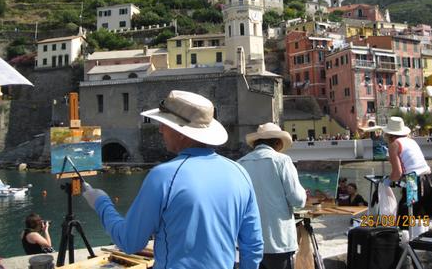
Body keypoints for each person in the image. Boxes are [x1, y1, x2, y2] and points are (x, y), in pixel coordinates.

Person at [82, 90, 263, 269]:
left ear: (181, 132)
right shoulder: (239, 173)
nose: (160, 129)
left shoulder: (163, 176)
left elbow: (129, 241)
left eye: (165, 124)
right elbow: (253, 246)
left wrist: (101, 203)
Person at [238, 122, 306, 269]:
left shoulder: (240, 164)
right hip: (278, 240)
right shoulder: (282, 161)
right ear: (277, 142)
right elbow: (298, 200)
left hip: (249, 242)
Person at [382, 117, 432, 227]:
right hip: (430, 178)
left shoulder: (394, 144)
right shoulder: (411, 141)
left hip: (413, 180)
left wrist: (387, 181)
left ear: (389, 134)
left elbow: (397, 173)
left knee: (405, 217)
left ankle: (405, 242)